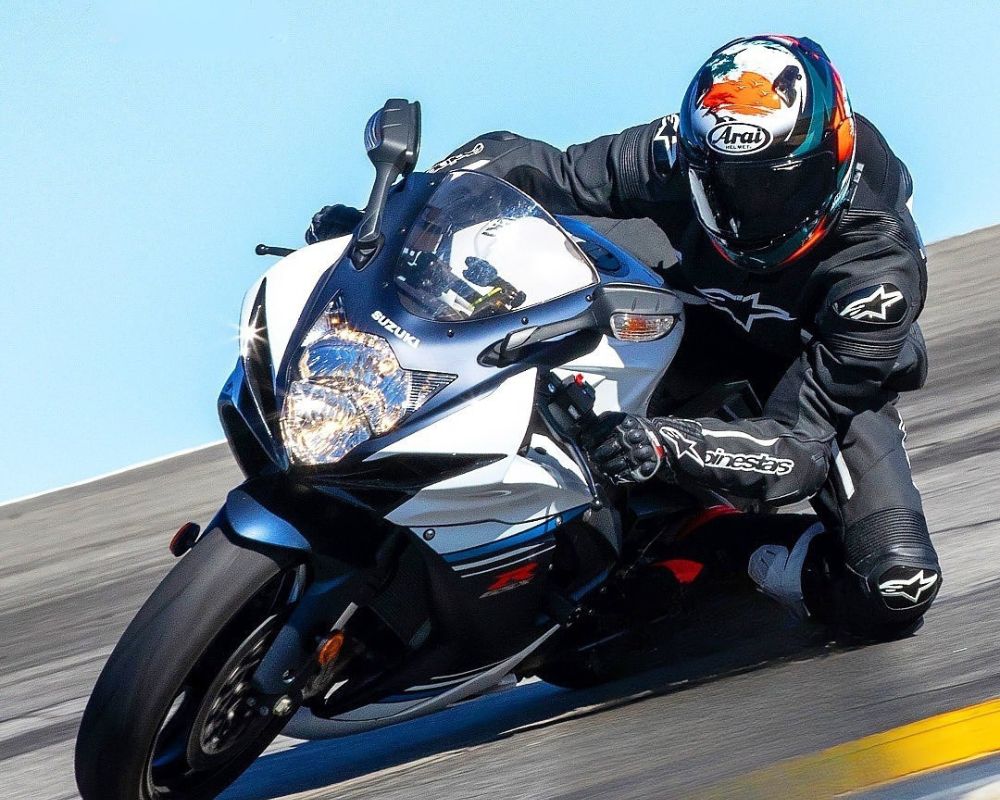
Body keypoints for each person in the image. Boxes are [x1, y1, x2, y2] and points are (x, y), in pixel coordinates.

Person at [306, 35, 940, 641]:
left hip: (808, 368)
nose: (753, 204)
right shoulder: (678, 150)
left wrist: (665, 444)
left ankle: (712, 547)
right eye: (729, 181)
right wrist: (396, 219)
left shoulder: (875, 273)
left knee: (892, 589)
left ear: (834, 156)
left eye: (778, 182)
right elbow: (534, 167)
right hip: (684, 300)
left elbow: (799, 447)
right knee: (526, 239)